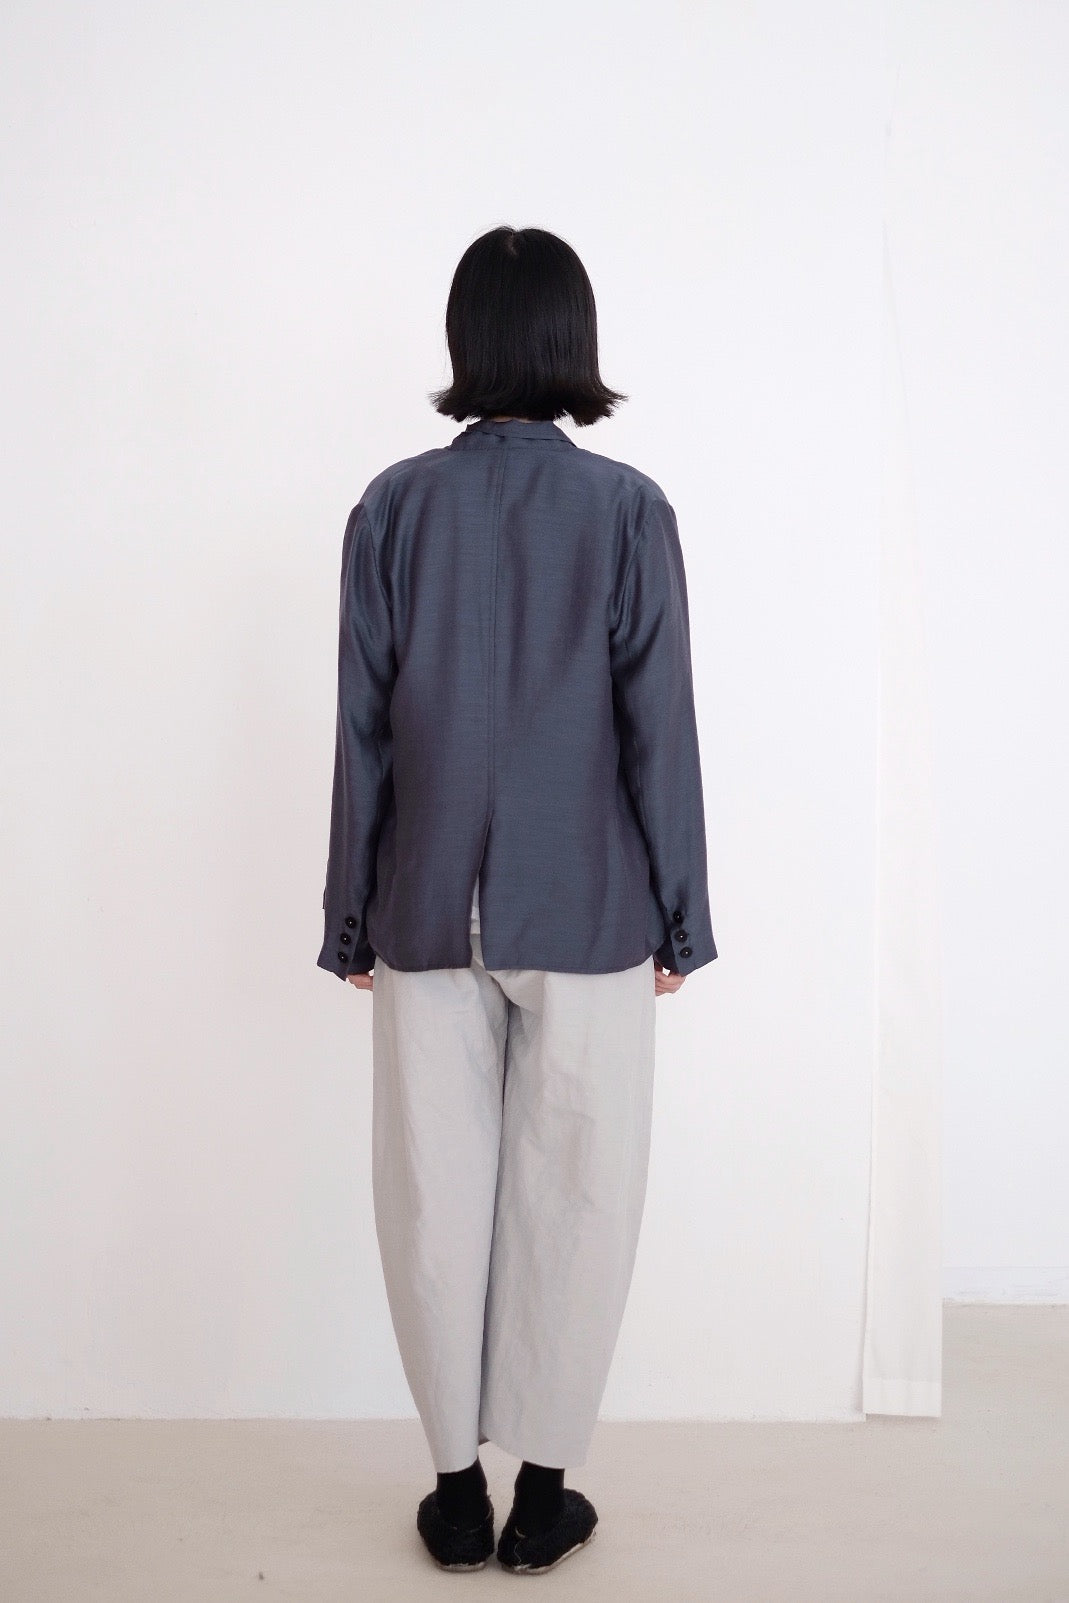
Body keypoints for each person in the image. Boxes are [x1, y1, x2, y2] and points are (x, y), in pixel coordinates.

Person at [317, 225, 717, 1574]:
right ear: (571, 341)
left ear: (466, 339)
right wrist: (680, 915)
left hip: (427, 906)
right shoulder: (627, 509)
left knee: (432, 1200)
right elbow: (659, 728)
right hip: (590, 907)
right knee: (579, 1196)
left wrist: (352, 913)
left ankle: (453, 1493)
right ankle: (542, 1494)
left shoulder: (392, 507)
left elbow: (361, 731)